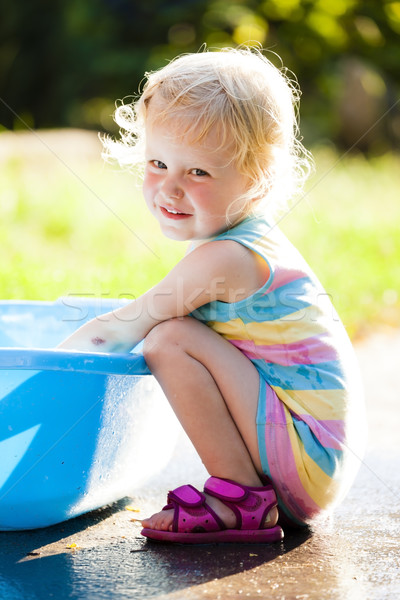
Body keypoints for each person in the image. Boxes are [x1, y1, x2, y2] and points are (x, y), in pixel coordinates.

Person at [58, 47, 367, 544]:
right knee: (177, 331)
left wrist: (36, 377)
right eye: (158, 163)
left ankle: (238, 501)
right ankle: (245, 494)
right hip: (315, 459)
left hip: (306, 458)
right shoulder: (248, 240)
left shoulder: (228, 259)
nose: (169, 189)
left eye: (197, 172)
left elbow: (121, 329)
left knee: (169, 338)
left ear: (258, 178)